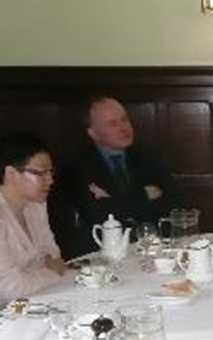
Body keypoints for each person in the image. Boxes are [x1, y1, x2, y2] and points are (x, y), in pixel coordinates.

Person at [58, 96, 179, 257]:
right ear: (93, 133)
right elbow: (98, 216)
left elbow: (175, 202)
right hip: (102, 253)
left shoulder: (148, 155)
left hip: (151, 247)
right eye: (112, 124)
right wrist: (145, 195)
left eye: (125, 120)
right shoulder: (77, 165)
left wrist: (114, 202)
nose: (124, 128)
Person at [0, 133, 66, 301]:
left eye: (50, 172)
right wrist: (50, 272)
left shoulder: (35, 203)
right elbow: (9, 287)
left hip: (34, 298)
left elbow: (52, 253)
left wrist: (32, 275)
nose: (50, 180)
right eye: (40, 173)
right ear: (11, 173)